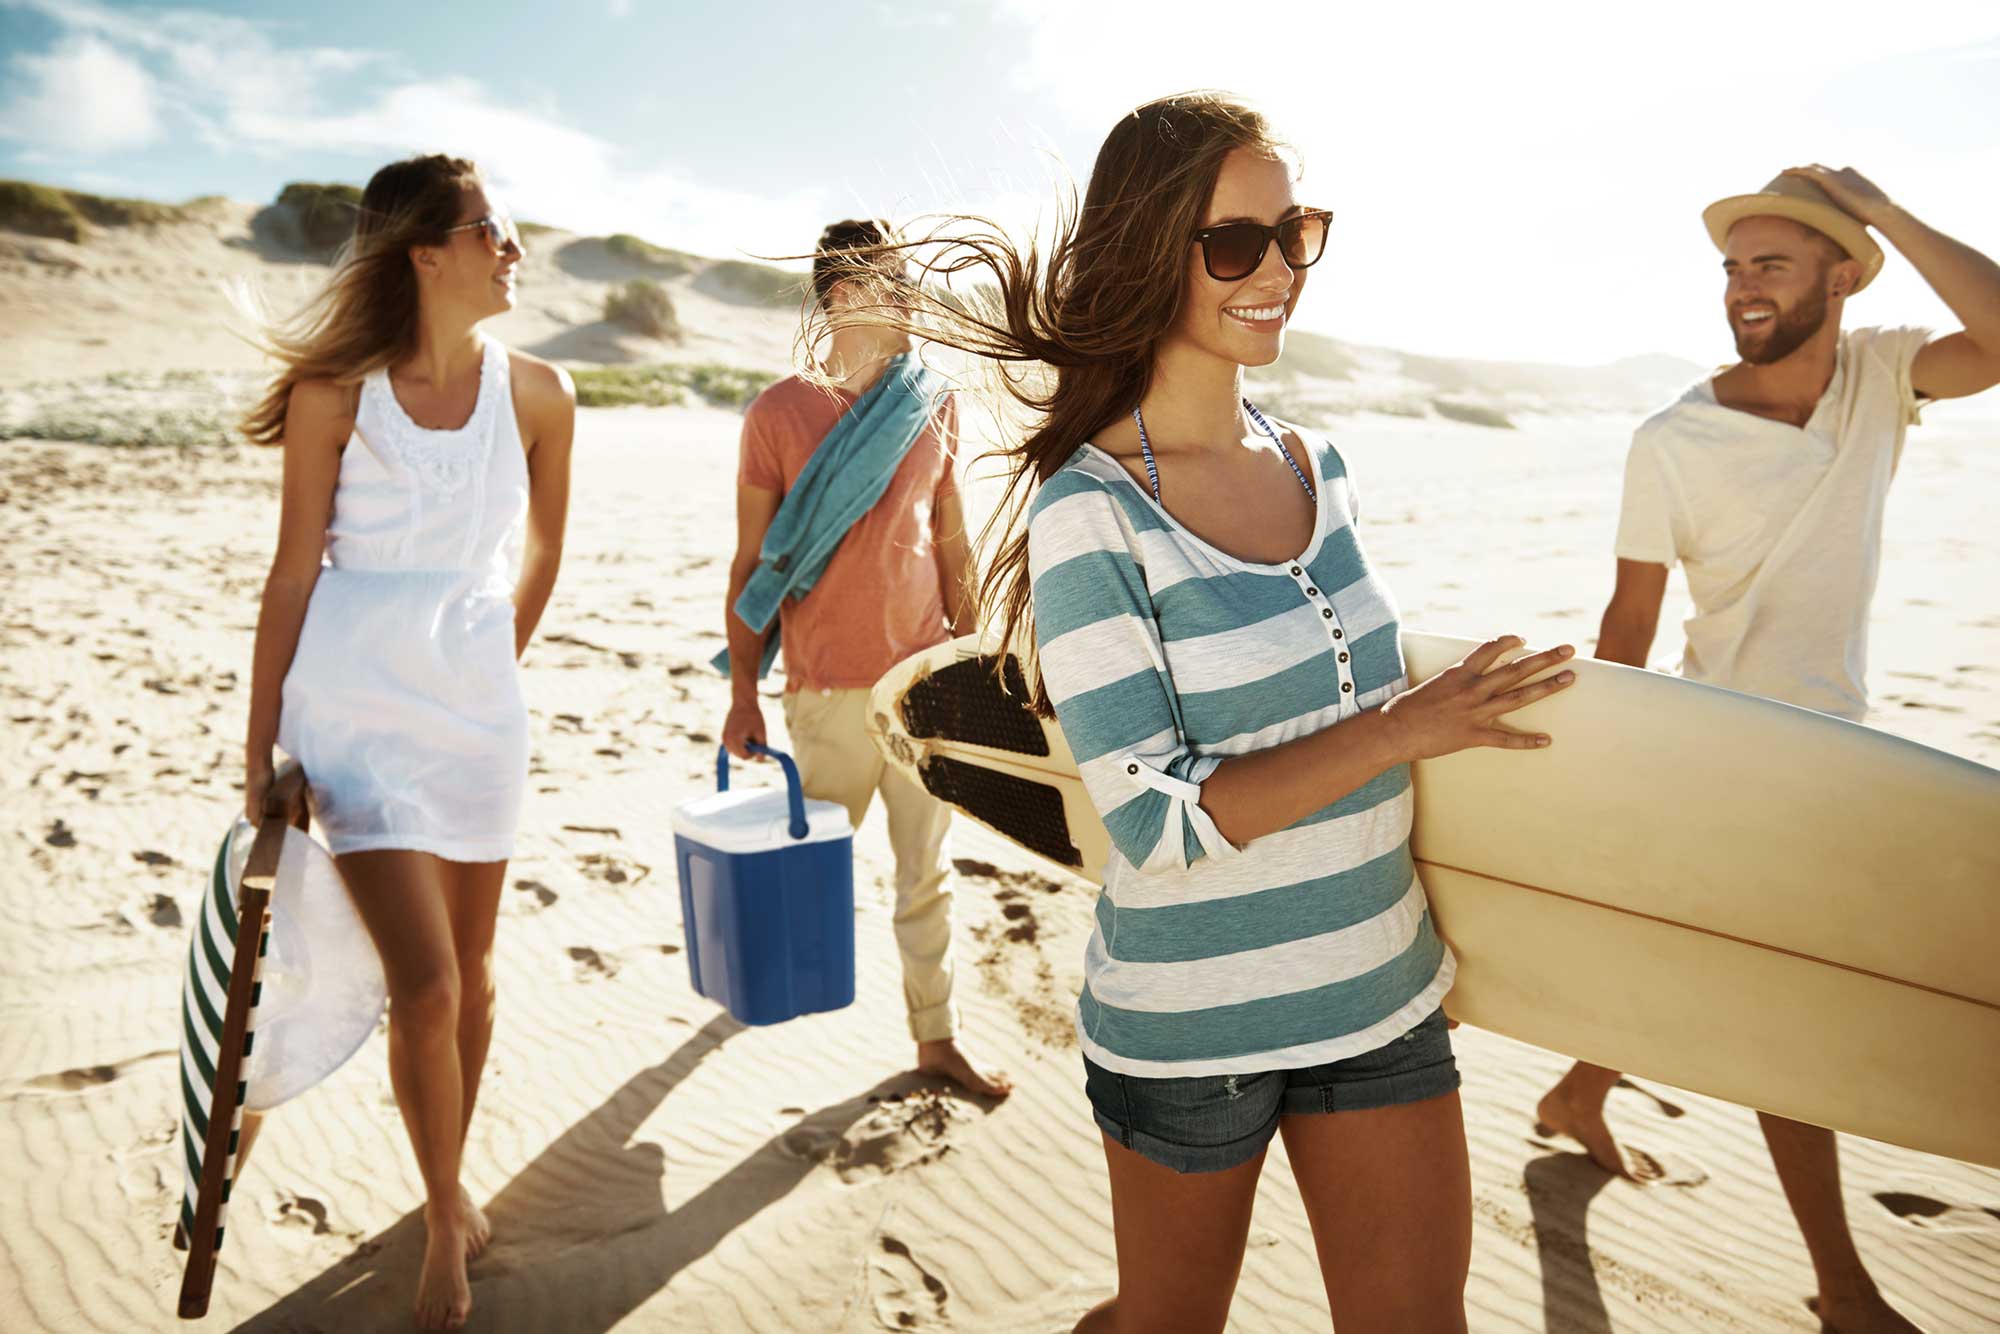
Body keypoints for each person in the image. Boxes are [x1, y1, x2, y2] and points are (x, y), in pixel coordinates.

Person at [817, 92, 1579, 1333]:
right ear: (1148, 253)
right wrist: (1402, 729)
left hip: (1377, 991)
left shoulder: (1314, 464)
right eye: (1237, 242)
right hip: (1190, 1035)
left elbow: (1342, 681)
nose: (1278, 268)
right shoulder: (1091, 512)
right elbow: (1157, 821)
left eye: (1297, 231)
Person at [1533, 166, 2000, 1334]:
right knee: (1783, 1013)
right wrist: (1610, 765)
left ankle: (1576, 1087)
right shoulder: (1670, 440)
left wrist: (1884, 214)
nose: (1740, 287)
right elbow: (1627, 623)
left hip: (1833, 748)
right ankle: (1840, 1286)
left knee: (1713, 963)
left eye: (1770, 263)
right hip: (1722, 754)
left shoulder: (1881, 376)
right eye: (1732, 266)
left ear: (1840, 277)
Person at [240, 153, 576, 1331]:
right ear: (424, 250)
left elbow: (540, 553)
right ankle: (442, 1210)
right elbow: (291, 573)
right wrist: (259, 744)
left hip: (475, 714)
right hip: (355, 716)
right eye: (492, 229)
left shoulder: (541, 393)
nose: (513, 247)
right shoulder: (339, 394)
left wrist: (493, 657)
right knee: (424, 985)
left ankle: (447, 1168)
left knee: (473, 976)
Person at [720, 219, 1011, 1100]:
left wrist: (976, 662)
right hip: (823, 690)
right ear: (841, 295)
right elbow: (751, 562)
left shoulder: (935, 401)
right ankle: (756, 985)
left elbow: (953, 547)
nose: (915, 297)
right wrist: (743, 693)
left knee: (928, 877)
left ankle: (937, 1040)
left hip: (922, 685)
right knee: (809, 865)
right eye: (895, 281)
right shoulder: (777, 412)